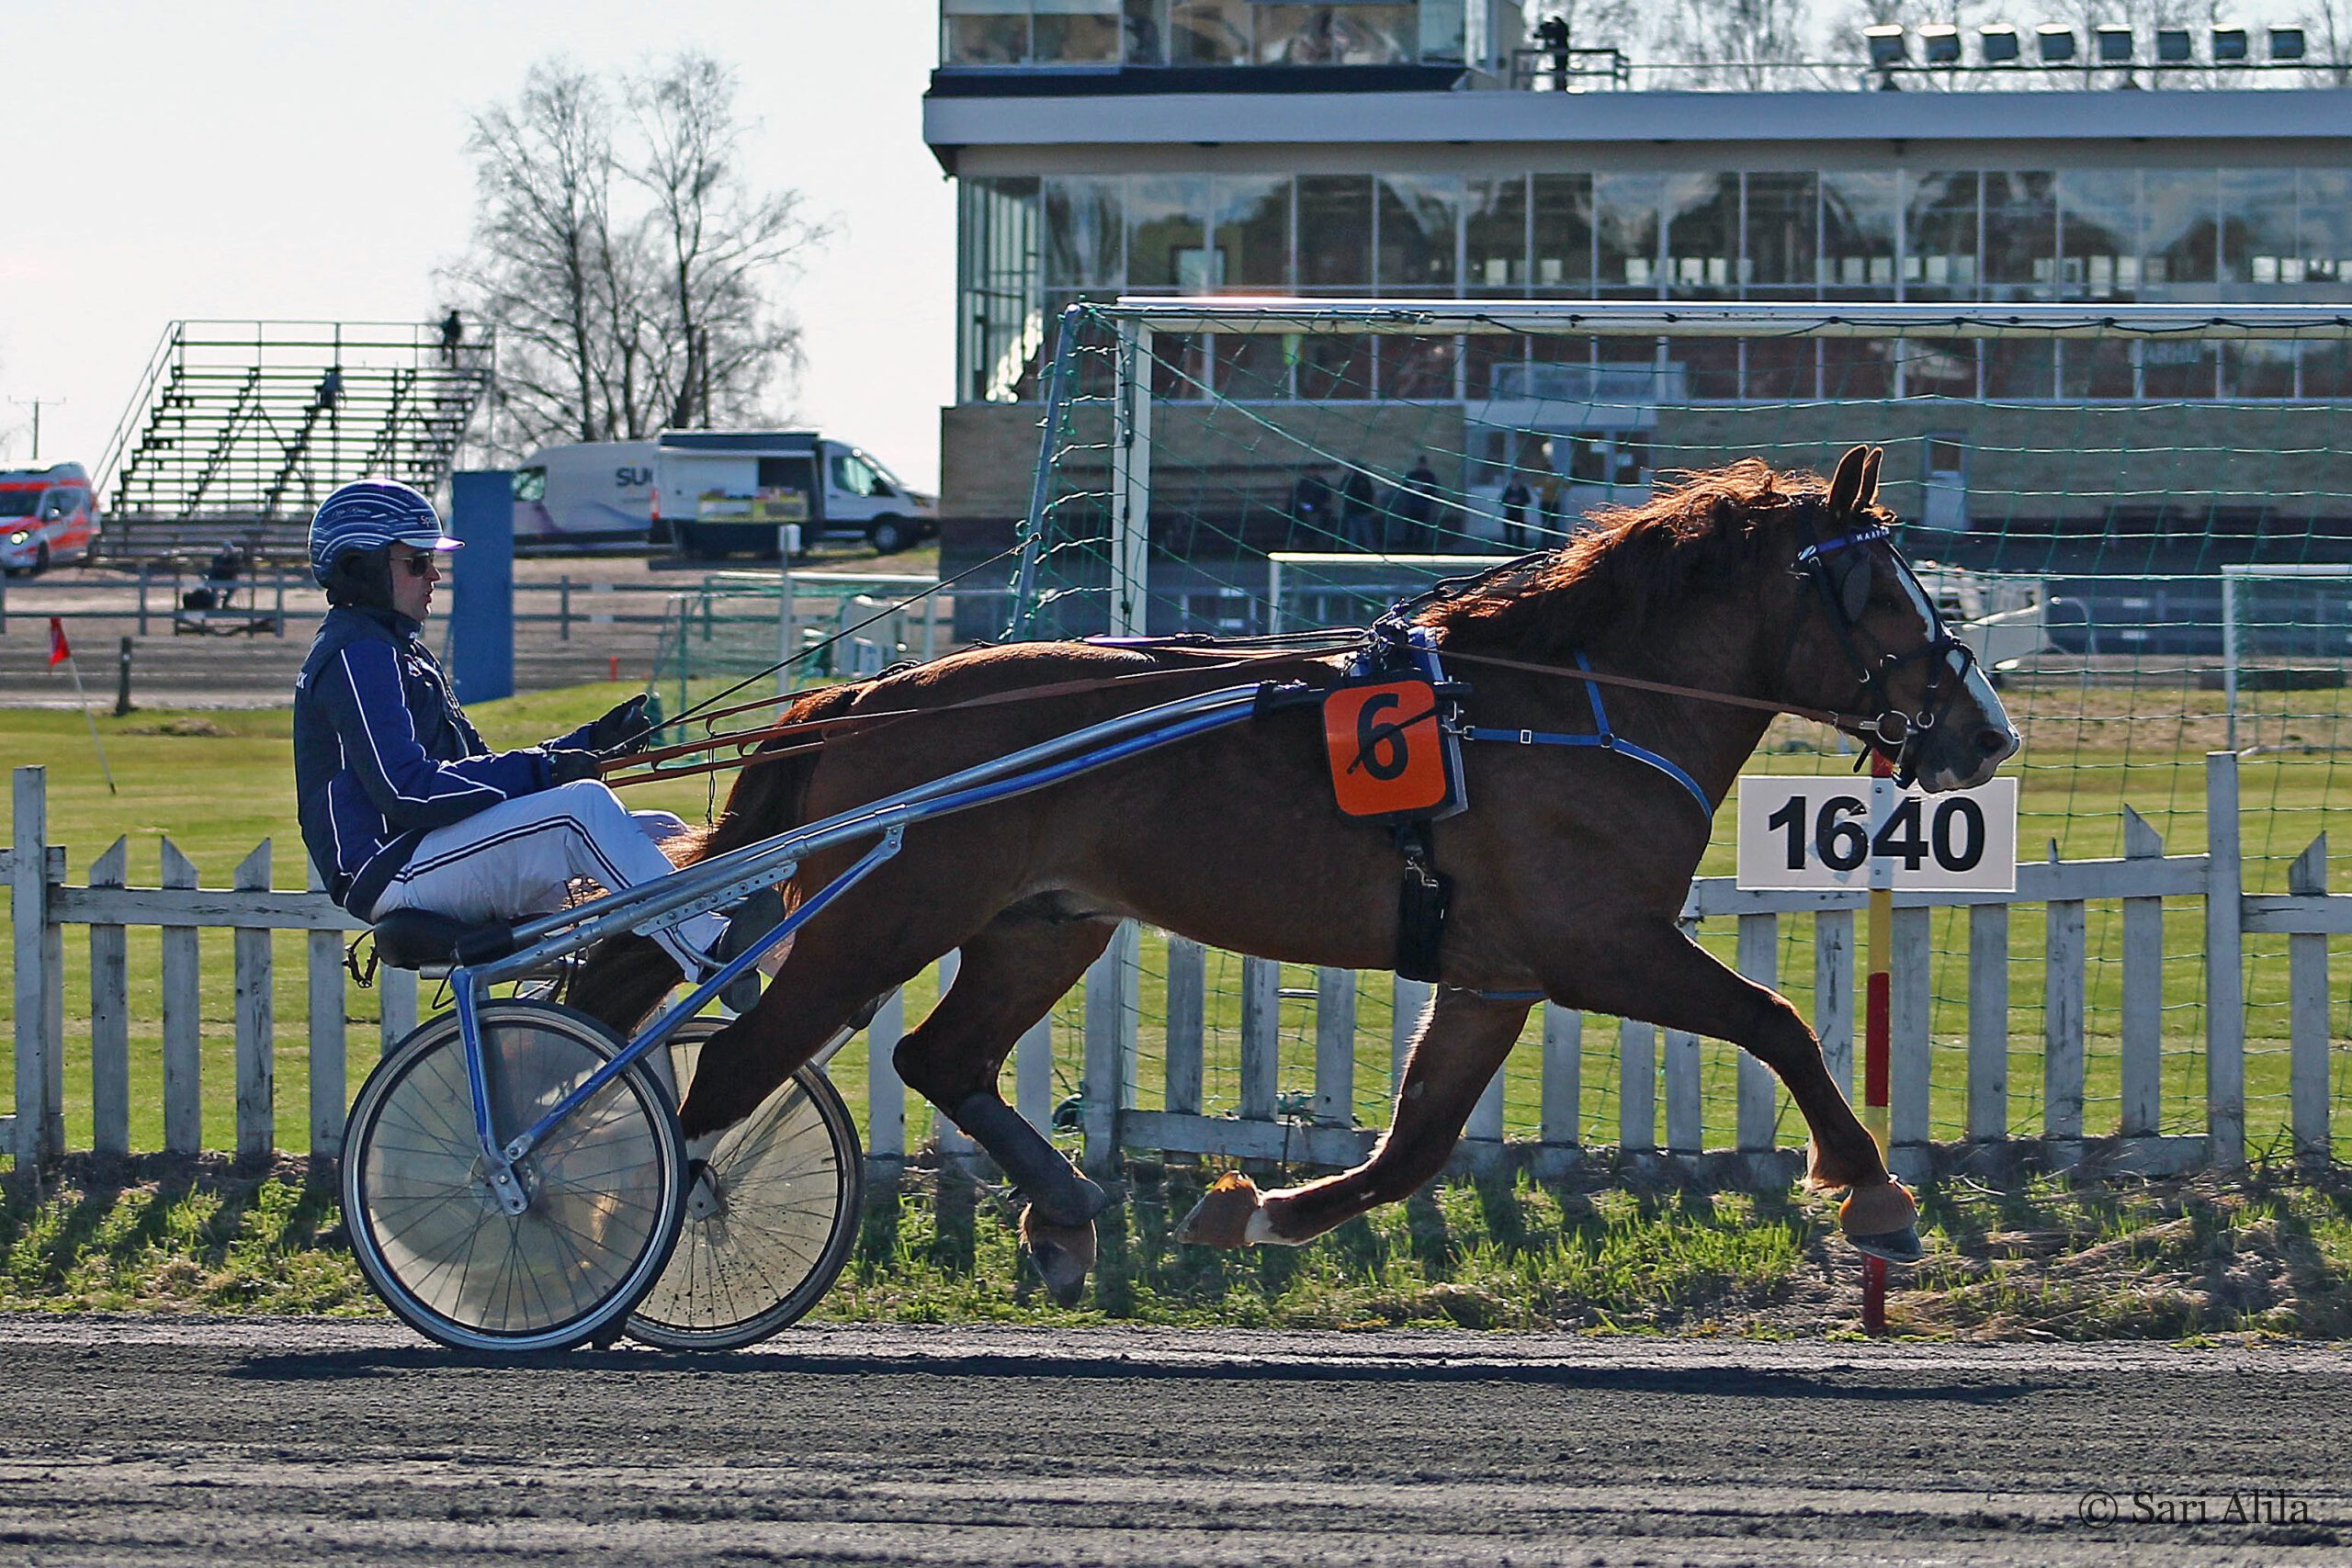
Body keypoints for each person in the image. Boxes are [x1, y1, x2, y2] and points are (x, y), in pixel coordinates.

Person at [292, 479, 723, 982]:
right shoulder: (357, 656)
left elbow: (474, 769)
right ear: (359, 568)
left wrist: (586, 744)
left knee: (662, 832)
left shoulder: (398, 653)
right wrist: (550, 771)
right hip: (393, 869)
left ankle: (606, 1002)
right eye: (417, 562)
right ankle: (708, 949)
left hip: (433, 852)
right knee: (582, 810)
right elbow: (406, 791)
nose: (434, 575)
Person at [1394, 454, 1441, 553]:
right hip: (1412, 504)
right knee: (1409, 526)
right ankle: (1408, 545)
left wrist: (1425, 490)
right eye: (1419, 464)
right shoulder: (1412, 475)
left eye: (1423, 464)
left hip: (1423, 505)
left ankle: (1421, 546)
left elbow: (1433, 489)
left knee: (1422, 527)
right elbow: (1405, 487)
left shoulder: (1429, 476)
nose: (1421, 466)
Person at [1339, 468, 1380, 550]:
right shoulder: (1359, 480)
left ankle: (1356, 548)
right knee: (1360, 530)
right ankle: (1366, 548)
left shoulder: (1356, 480)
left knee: (1359, 530)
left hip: (1357, 509)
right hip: (1357, 509)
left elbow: (1367, 495)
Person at [1498, 470, 1534, 550]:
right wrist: (1509, 500)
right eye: (1514, 480)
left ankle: (1520, 548)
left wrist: (1519, 500)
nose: (1516, 481)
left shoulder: (1523, 489)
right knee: (1508, 533)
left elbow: (1528, 500)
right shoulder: (1508, 489)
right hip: (1509, 513)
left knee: (1520, 532)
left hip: (1519, 514)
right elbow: (1502, 500)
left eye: (1518, 479)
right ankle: (1508, 549)